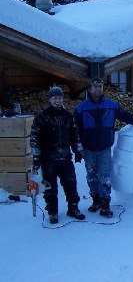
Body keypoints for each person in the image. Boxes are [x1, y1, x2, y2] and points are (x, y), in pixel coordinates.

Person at [74, 78, 133, 218]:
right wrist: (78, 149)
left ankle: (105, 205)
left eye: (100, 86)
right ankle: (96, 201)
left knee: (104, 176)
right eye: (95, 87)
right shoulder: (80, 108)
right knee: (92, 176)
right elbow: (76, 130)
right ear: (90, 89)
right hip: (88, 149)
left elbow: (125, 116)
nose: (98, 89)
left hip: (104, 148)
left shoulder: (111, 106)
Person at [30, 86, 85, 224]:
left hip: (65, 158)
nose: (57, 100)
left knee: (71, 185)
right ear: (50, 99)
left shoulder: (68, 116)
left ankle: (73, 208)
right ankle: (52, 212)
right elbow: (34, 139)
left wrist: (78, 151)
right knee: (50, 188)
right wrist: (36, 157)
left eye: (59, 98)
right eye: (54, 98)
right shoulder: (42, 117)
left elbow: (75, 135)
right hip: (48, 160)